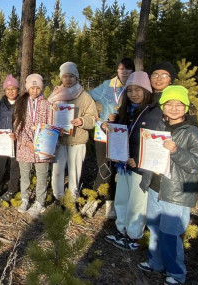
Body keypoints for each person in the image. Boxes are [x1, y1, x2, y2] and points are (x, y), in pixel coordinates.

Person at [138, 86, 198, 285]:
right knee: (154, 227)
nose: (174, 108)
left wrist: (176, 151)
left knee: (171, 233)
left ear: (186, 107)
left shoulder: (192, 132)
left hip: (176, 192)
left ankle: (177, 273)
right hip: (156, 187)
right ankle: (156, 263)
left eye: (179, 104)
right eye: (170, 103)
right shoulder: (159, 127)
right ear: (163, 106)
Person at [103, 71, 164, 250]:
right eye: (129, 91)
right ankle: (121, 230)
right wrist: (108, 125)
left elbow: (154, 142)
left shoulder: (154, 112)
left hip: (139, 166)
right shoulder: (125, 111)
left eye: (138, 89)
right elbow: (120, 135)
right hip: (123, 165)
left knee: (137, 203)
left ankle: (134, 236)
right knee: (122, 199)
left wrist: (139, 160)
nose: (133, 94)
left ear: (147, 90)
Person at [89, 58, 135, 218]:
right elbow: (88, 99)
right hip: (103, 133)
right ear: (117, 70)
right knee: (104, 166)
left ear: (133, 72)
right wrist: (96, 118)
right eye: (122, 69)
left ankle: (112, 202)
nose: (124, 72)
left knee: (119, 170)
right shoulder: (107, 85)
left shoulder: (135, 89)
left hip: (123, 136)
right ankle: (95, 200)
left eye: (128, 70)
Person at [48, 62, 97, 202]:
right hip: (59, 139)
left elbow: (93, 117)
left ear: (76, 77)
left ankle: (72, 195)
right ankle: (58, 196)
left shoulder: (84, 96)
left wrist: (82, 121)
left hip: (77, 139)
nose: (68, 79)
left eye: (71, 76)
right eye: (65, 76)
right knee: (57, 169)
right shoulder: (56, 94)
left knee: (74, 170)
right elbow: (47, 112)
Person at [14, 74, 53, 218]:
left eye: (37, 88)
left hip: (42, 147)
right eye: (32, 87)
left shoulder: (47, 105)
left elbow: (50, 125)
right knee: (25, 175)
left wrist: (42, 140)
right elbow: (17, 125)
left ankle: (39, 201)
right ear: (27, 87)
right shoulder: (21, 103)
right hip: (25, 146)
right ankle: (25, 199)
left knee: (42, 175)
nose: (34, 91)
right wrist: (28, 142)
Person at [0, 75, 21, 201]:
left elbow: (24, 121)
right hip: (2, 141)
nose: (11, 91)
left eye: (13, 89)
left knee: (14, 166)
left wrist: (18, 134)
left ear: (18, 90)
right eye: (8, 89)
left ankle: (12, 189)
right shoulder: (0, 104)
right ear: (4, 91)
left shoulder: (22, 103)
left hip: (15, 140)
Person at [149, 61, 198, 128]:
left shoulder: (181, 101)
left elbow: (192, 128)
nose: (159, 78)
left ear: (171, 80)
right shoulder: (144, 99)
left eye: (164, 75)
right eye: (155, 75)